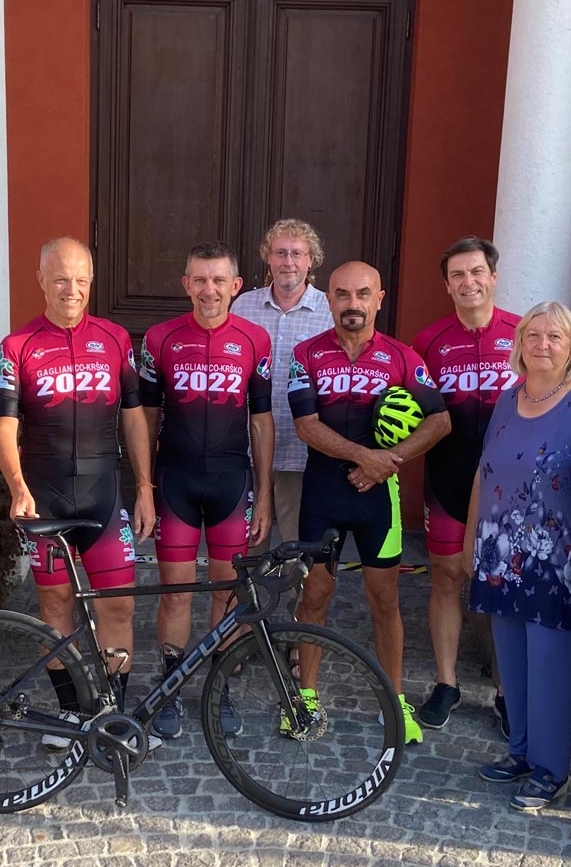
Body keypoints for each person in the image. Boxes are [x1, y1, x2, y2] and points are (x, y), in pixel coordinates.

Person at [0, 238, 156, 717]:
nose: (72, 289)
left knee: (118, 606)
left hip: (104, 494)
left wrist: (144, 487)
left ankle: (113, 711)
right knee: (56, 608)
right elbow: (4, 422)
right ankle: (71, 710)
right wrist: (18, 487)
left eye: (81, 280)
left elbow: (133, 414)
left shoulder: (115, 339)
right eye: (61, 278)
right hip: (47, 496)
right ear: (41, 279)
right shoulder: (17, 345)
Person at [287, 260, 450, 744]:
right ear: (329, 299)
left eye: (362, 294)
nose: (352, 304)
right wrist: (368, 458)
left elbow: (439, 421)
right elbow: (306, 425)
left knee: (384, 600)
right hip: (323, 493)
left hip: (381, 499)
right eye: (342, 294)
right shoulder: (306, 353)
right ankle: (306, 699)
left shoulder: (403, 356)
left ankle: (393, 699)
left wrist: (390, 460)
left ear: (380, 298)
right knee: (314, 596)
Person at [465, 303, 571, 810]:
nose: (542, 344)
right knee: (513, 664)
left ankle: (551, 770)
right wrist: (471, 545)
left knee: (551, 668)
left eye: (555, 337)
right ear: (519, 341)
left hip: (558, 563)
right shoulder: (507, 400)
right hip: (501, 558)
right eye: (533, 335)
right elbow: (486, 474)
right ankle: (521, 752)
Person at [139, 242, 273, 739]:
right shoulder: (159, 338)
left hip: (230, 482)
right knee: (175, 594)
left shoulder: (256, 339)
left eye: (219, 280)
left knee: (227, 591)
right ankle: (170, 686)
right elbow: (146, 419)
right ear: (186, 284)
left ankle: (220, 688)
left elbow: (261, 422)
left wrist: (265, 490)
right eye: (199, 280)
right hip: (175, 479)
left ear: (236, 286)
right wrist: (144, 487)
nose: (209, 290)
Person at [411, 236, 522, 729]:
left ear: (494, 277)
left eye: (476, 272)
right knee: (447, 578)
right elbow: (415, 412)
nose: (468, 282)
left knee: (503, 585)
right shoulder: (428, 342)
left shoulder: (524, 333)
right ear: (447, 284)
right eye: (458, 275)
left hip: (512, 485)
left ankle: (506, 690)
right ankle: (446, 682)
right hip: (448, 477)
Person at [230, 219, 332, 542]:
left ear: (310, 260)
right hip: (248, 448)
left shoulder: (329, 310)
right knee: (247, 550)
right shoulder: (243, 305)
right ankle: (248, 597)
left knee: (296, 549)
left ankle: (293, 597)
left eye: (297, 254)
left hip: (300, 453)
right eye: (280, 253)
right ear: (268, 258)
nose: (288, 262)